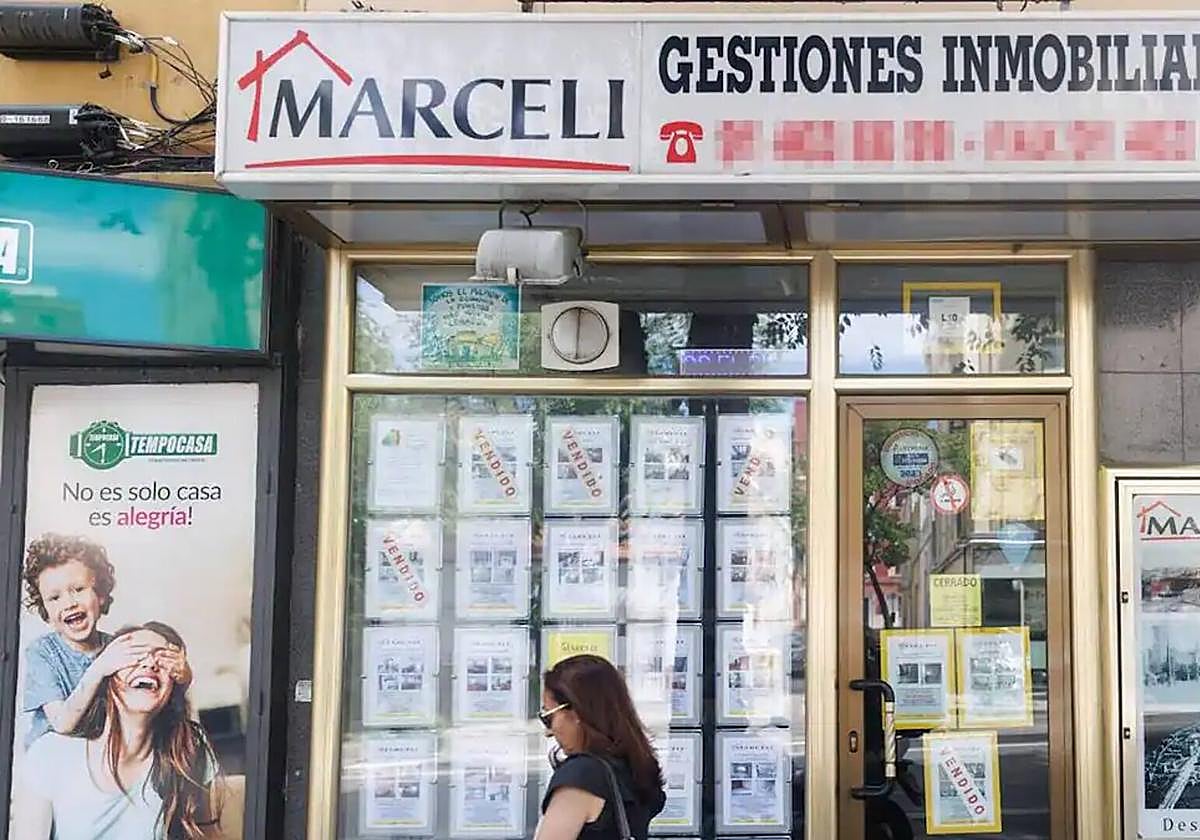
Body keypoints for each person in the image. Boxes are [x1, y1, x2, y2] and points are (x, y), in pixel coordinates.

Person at [13, 622, 222, 840]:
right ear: (107, 676)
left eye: (162, 658)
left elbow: (206, 834)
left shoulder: (189, 753)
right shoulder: (50, 755)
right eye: (134, 655)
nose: (149, 663)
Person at [20, 534, 191, 748]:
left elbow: (152, 695)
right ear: (45, 611)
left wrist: (184, 676)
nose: (69, 603)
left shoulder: (116, 646)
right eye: (55, 598)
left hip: (103, 754)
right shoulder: (41, 652)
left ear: (100, 594)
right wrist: (100, 667)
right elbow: (62, 724)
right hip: (54, 753)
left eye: (78, 589)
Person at [536, 655, 666, 840]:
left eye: (548, 718)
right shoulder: (632, 766)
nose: (548, 732)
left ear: (576, 712)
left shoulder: (581, 776)